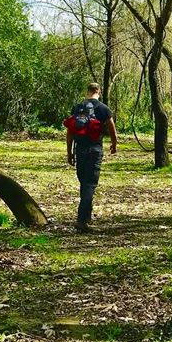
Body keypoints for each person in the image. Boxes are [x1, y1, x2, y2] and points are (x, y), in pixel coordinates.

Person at [64, 83, 118, 232]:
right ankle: (81, 220)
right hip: (95, 149)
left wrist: (69, 152)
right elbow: (112, 128)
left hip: (79, 149)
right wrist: (114, 144)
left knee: (84, 182)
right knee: (90, 184)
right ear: (98, 92)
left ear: (88, 92)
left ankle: (86, 217)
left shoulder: (77, 108)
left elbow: (70, 131)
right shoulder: (103, 108)